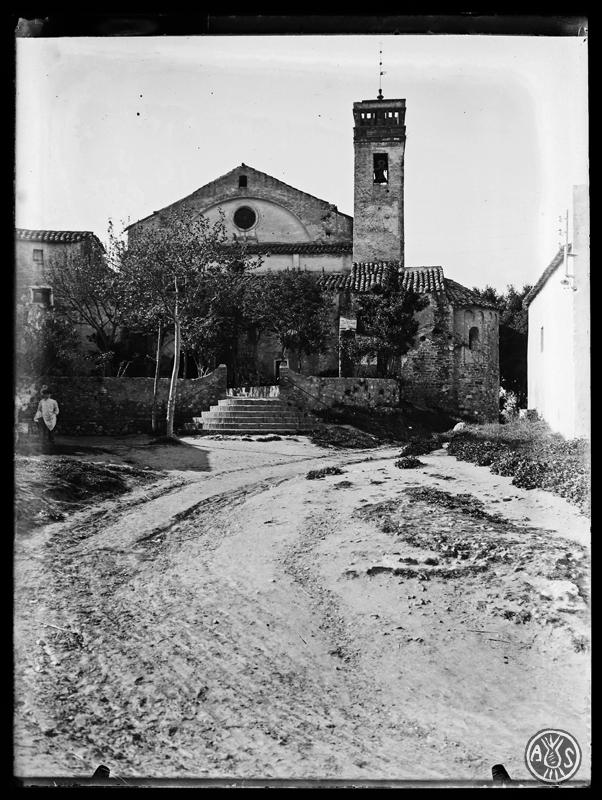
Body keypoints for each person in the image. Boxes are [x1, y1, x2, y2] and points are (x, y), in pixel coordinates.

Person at [34, 386, 59, 451]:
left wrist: (54, 414)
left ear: (50, 394)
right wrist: (37, 416)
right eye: (45, 394)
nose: (46, 395)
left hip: (51, 418)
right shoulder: (41, 401)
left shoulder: (53, 401)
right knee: (43, 430)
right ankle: (43, 443)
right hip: (43, 417)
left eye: (48, 394)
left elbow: (56, 409)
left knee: (51, 430)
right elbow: (39, 409)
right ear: (43, 394)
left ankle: (51, 443)